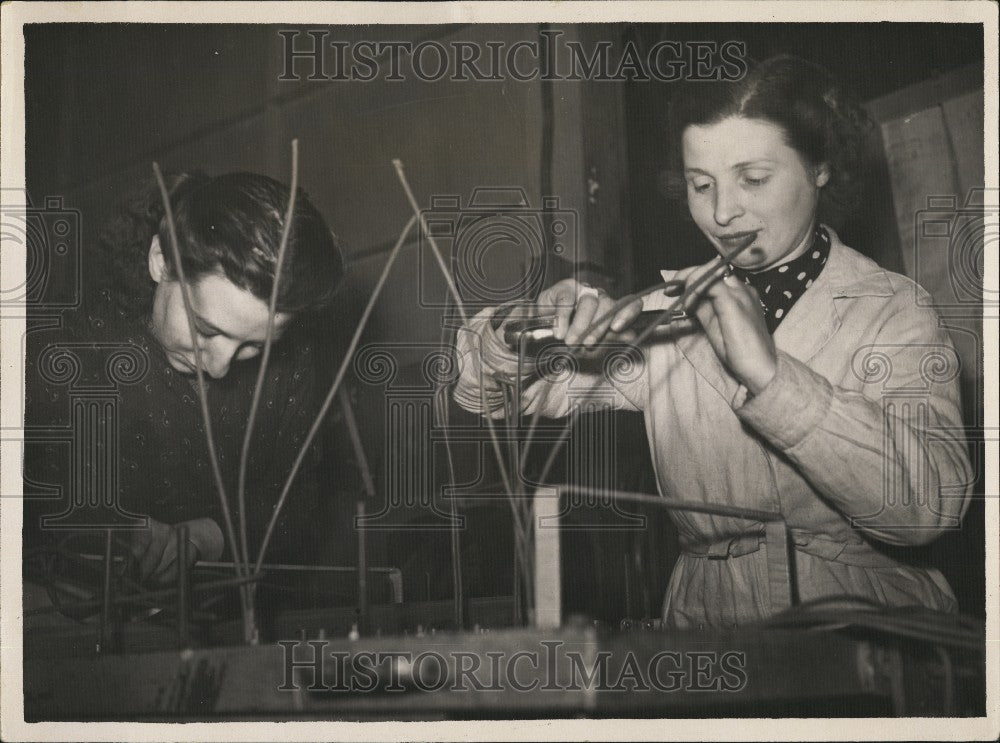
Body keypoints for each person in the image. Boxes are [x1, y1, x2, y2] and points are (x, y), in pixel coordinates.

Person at [453, 55, 974, 629]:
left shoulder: (892, 309)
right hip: (705, 625)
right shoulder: (665, 317)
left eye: (753, 179)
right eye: (702, 185)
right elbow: (498, 399)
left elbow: (928, 510)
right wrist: (520, 330)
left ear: (820, 166)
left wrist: (772, 378)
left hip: (866, 630)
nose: (723, 213)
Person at [24, 171, 346, 587]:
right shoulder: (67, 357)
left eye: (254, 347)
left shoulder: (293, 364)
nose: (220, 367)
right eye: (207, 331)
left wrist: (207, 537)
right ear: (162, 261)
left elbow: (297, 505)